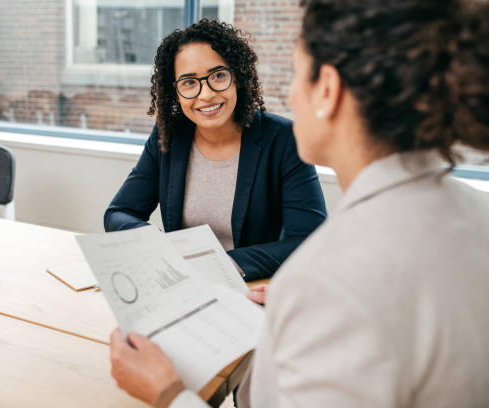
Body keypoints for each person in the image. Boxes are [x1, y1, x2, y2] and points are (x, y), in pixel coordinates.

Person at [108, 0, 489, 407]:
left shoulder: (325, 280)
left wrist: (169, 395)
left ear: (327, 89)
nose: (289, 93)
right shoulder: (478, 217)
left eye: (294, 74)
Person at [104, 19, 327, 281]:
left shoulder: (284, 140)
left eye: (218, 75)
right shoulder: (169, 136)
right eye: (189, 82)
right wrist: (157, 245)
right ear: (174, 92)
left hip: (253, 286)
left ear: (238, 77)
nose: (206, 94)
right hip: (184, 284)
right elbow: (118, 214)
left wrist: (224, 264)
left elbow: (309, 240)